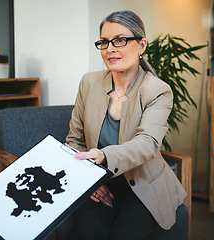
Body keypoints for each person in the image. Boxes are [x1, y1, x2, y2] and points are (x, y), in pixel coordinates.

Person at [65, 10, 186, 240]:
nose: (110, 48)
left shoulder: (157, 90)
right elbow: (74, 141)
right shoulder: (89, 83)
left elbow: (147, 144)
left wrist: (103, 156)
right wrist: (88, 178)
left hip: (142, 184)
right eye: (104, 42)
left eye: (120, 40)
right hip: (99, 180)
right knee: (88, 232)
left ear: (141, 45)